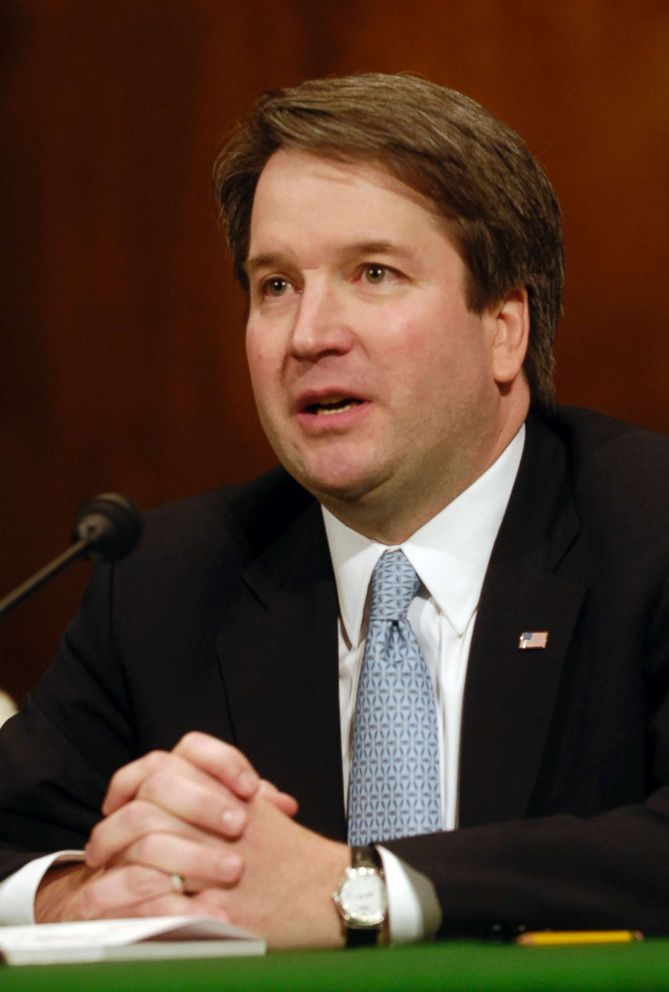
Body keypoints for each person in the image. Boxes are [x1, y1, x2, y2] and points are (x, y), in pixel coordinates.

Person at [1, 72, 668, 947]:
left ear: (503, 327)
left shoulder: (645, 525)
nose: (309, 333)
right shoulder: (167, 578)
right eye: (274, 285)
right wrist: (74, 899)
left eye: (373, 273)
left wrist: (362, 891)